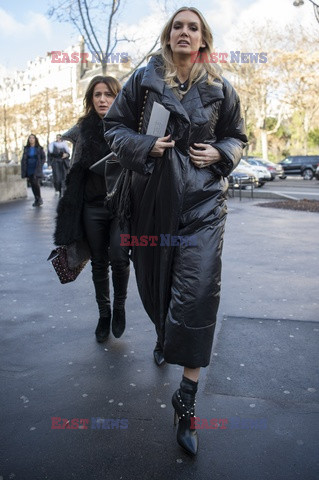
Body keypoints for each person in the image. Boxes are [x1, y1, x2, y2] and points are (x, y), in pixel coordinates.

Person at [104, 7, 247, 455]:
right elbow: (114, 126)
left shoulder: (221, 87)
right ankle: (164, 338)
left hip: (204, 205)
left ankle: (186, 404)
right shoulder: (144, 81)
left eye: (193, 27)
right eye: (178, 26)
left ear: (203, 38)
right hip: (152, 205)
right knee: (157, 289)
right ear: (169, 37)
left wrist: (221, 153)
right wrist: (146, 145)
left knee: (198, 293)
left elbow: (240, 138)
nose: (185, 32)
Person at [54, 76, 130, 342]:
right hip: (91, 206)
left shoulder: (129, 127)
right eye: (97, 95)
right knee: (99, 262)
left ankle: (119, 306)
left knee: (120, 257)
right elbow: (74, 171)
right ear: (90, 99)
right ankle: (104, 314)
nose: (102, 99)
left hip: (121, 206)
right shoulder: (82, 129)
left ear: (117, 97)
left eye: (108, 95)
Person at [21, 134, 46, 206]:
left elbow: (43, 157)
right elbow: (24, 159)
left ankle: (39, 198)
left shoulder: (39, 148)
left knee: (36, 183)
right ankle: (36, 199)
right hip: (29, 167)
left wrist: (40, 165)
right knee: (32, 184)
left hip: (36, 167)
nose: (31, 139)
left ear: (35, 139)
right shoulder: (26, 148)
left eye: (33, 138)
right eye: (30, 138)